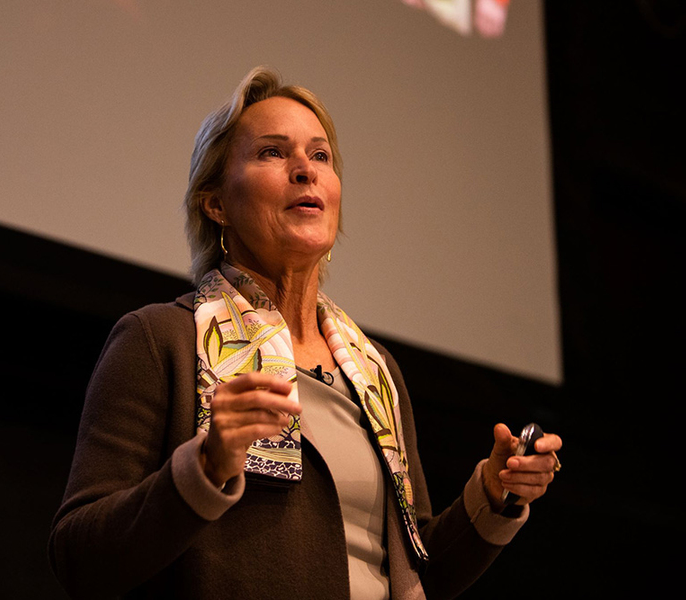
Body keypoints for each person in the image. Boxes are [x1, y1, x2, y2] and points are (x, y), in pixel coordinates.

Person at [48, 66, 562, 600]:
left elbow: (417, 573)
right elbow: (80, 559)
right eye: (272, 152)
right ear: (216, 203)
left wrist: (494, 493)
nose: (305, 170)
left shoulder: (374, 371)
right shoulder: (161, 341)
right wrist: (203, 468)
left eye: (320, 156)